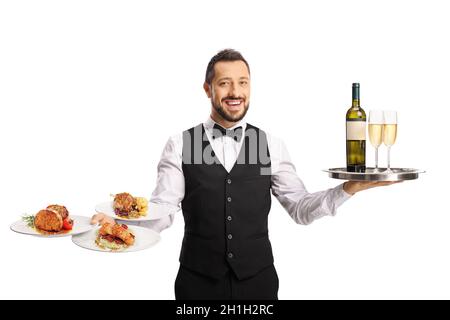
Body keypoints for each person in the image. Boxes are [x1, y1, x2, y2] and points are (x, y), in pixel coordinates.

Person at [91, 49, 399, 300]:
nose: (235, 92)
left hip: (258, 285)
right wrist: (119, 224)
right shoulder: (180, 144)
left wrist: (349, 188)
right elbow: (163, 210)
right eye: (225, 83)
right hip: (197, 286)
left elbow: (301, 210)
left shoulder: (271, 145)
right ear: (207, 88)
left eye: (243, 82)